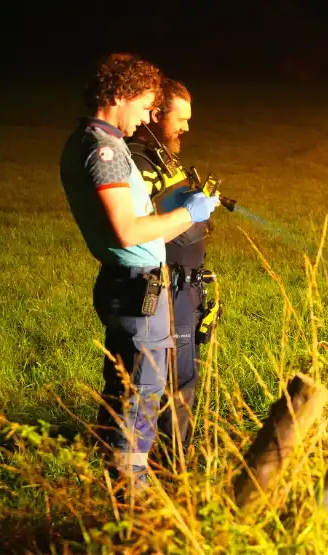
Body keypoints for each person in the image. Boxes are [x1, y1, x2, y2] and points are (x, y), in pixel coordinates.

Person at [59, 53, 219, 493]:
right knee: (142, 395)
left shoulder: (89, 141)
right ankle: (131, 494)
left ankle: (113, 479)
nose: (149, 116)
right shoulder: (105, 150)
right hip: (137, 289)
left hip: (130, 286)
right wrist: (188, 215)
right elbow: (127, 230)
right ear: (120, 95)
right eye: (146, 105)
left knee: (128, 386)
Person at [127, 78, 209, 458]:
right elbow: (140, 226)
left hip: (185, 287)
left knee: (183, 376)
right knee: (171, 381)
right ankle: (169, 470)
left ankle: (167, 460)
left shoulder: (163, 155)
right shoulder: (139, 162)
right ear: (156, 115)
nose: (187, 128)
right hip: (165, 288)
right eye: (182, 119)